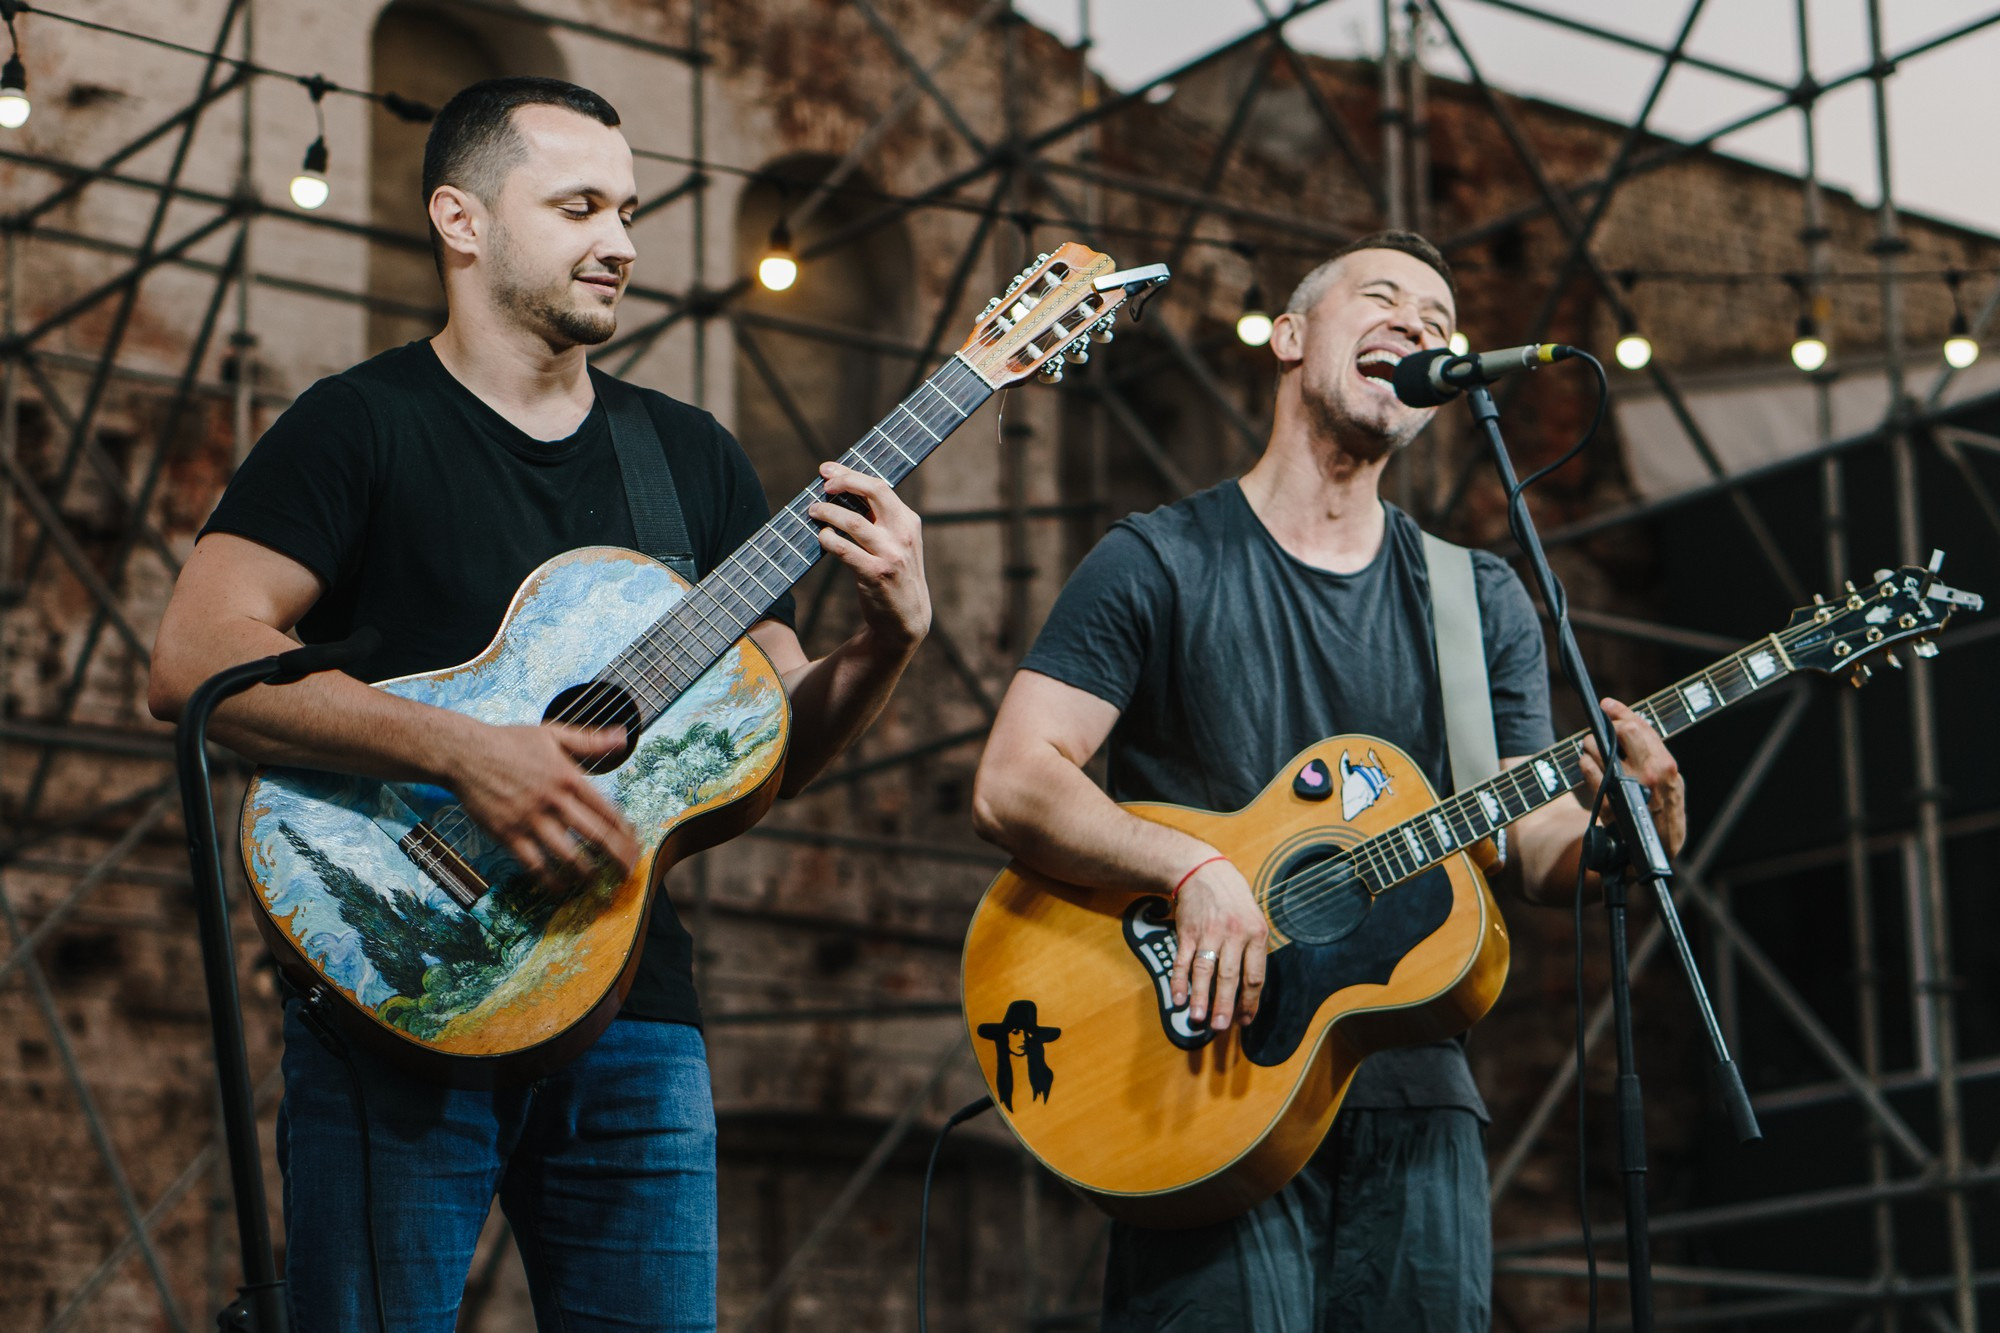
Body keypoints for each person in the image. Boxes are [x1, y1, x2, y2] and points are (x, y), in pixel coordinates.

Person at [147, 77, 931, 1331]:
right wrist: (467, 752)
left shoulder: (687, 458)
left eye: (627, 209)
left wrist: (887, 642)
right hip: (394, 971)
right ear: (462, 220)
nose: (620, 241)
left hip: (632, 1010)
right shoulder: (360, 424)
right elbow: (192, 658)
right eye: (577, 206)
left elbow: (768, 743)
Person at [970, 231, 1686, 1331]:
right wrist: (1193, 866)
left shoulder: (1473, 596)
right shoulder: (1158, 559)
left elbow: (1528, 836)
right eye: (1383, 299)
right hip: (1204, 1071)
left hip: (1413, 1092)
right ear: (1292, 337)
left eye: (1439, 323)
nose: (1415, 327)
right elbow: (1017, 780)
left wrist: (1623, 830)